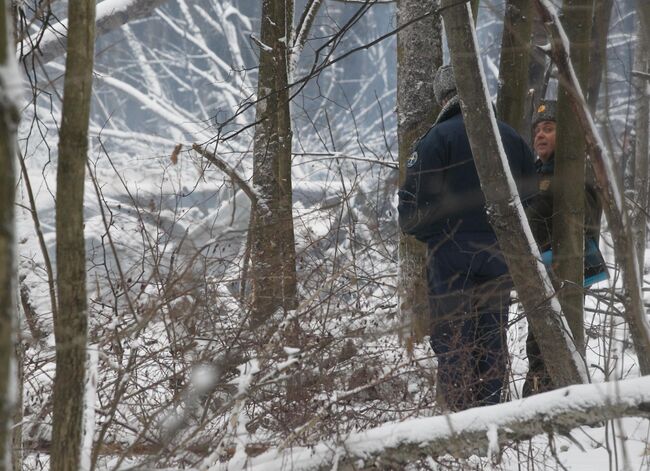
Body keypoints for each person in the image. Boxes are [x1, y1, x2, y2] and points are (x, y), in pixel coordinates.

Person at [398, 65, 538, 411]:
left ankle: (461, 426)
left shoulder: (435, 140)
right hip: (498, 256)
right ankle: (491, 418)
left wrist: (439, 236)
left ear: (443, 97)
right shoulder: (512, 138)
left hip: (449, 258)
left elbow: (412, 213)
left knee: (453, 342)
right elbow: (532, 202)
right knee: (492, 342)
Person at [522, 100, 605, 396]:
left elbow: (583, 221)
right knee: (537, 342)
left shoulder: (573, 172)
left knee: (552, 342)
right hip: (542, 271)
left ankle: (551, 402)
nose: (540, 136)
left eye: (549, 129)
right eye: (537, 131)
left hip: (563, 271)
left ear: (566, 134)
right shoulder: (539, 171)